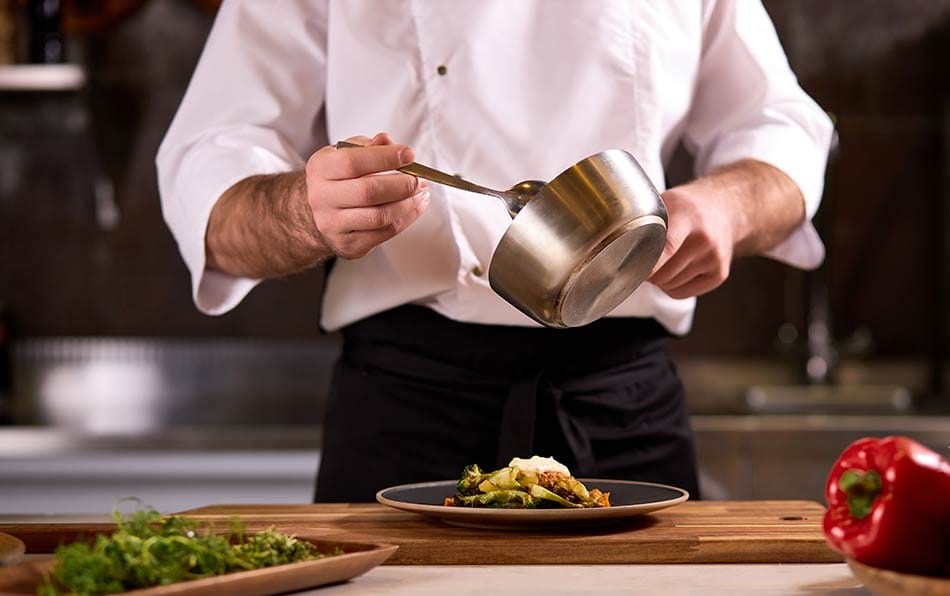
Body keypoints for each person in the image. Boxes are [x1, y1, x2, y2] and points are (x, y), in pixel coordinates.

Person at [157, 1, 832, 502]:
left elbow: (782, 128)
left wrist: (727, 206)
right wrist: (305, 210)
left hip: (622, 407)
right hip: (408, 408)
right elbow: (207, 174)